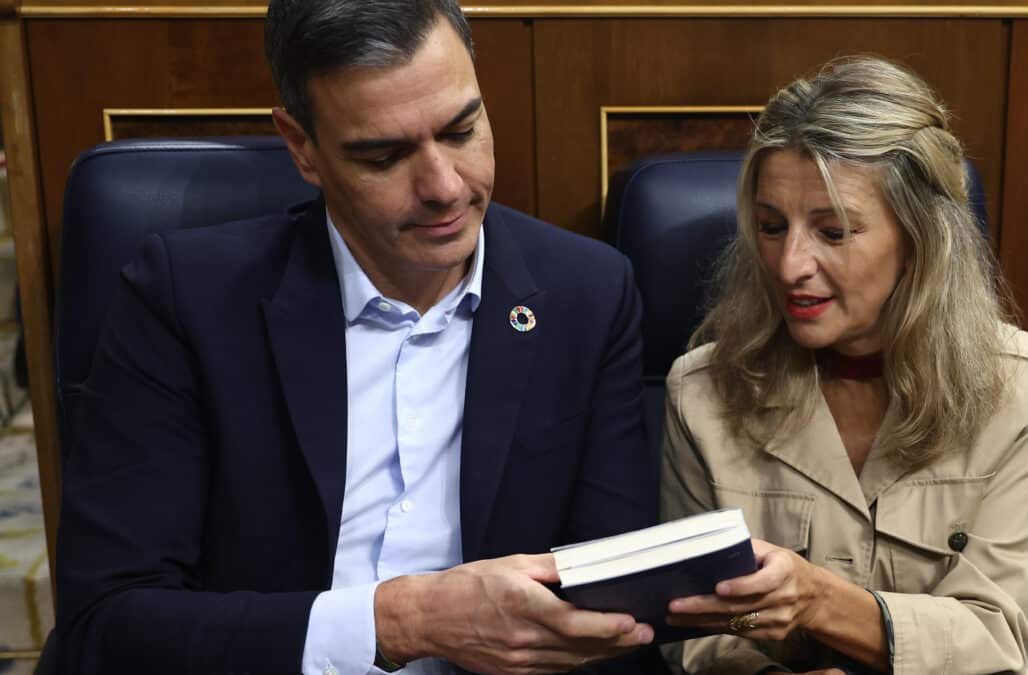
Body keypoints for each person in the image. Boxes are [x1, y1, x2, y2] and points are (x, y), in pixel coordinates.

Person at [51, 1, 661, 673]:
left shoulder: (588, 296)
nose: (444, 187)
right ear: (302, 148)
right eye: (384, 155)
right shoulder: (184, 300)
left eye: (462, 130)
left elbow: (616, 612)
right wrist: (401, 619)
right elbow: (105, 625)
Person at [659, 56, 1028, 675]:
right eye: (772, 227)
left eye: (833, 232)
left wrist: (819, 601)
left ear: (919, 241)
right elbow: (690, 630)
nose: (789, 264)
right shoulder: (700, 393)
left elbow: (1000, 631)